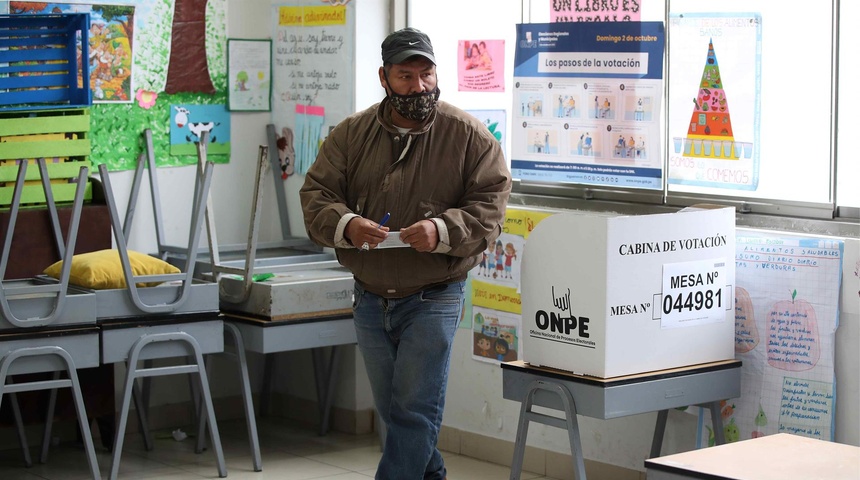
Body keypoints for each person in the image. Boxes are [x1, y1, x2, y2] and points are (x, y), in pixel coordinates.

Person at [300, 27, 511, 480]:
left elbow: (491, 204)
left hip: (434, 294)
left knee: (413, 412)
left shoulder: (468, 136)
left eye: (426, 74)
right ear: (384, 77)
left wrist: (440, 230)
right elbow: (316, 193)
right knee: (398, 416)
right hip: (370, 295)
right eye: (405, 76)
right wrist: (347, 224)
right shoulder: (350, 135)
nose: (419, 87)